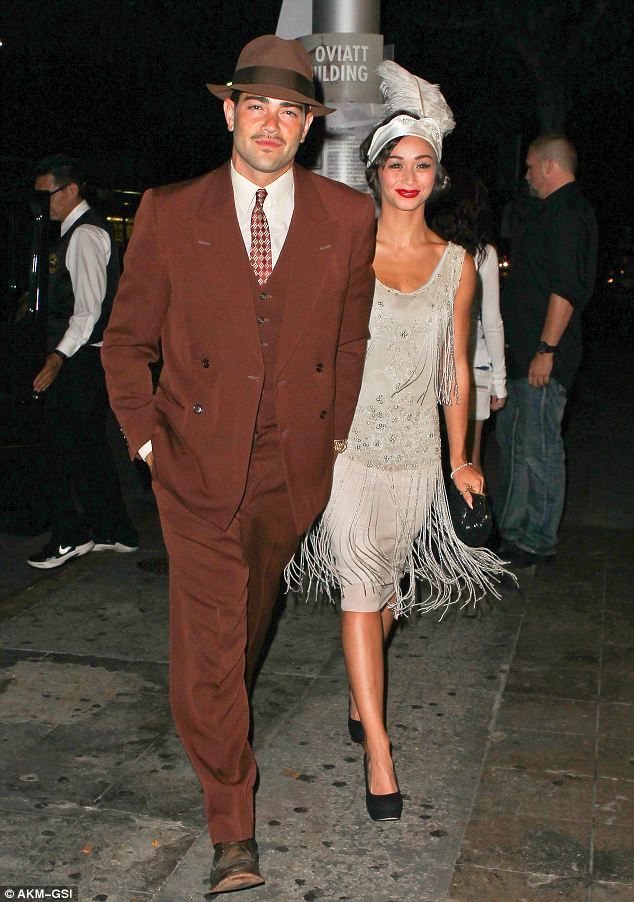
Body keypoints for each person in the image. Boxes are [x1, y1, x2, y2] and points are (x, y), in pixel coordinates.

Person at [101, 36, 375, 896]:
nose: (270, 123)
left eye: (289, 110)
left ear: (305, 129)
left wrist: (332, 440)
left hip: (291, 469)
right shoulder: (169, 211)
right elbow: (126, 342)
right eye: (255, 105)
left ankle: (223, 705)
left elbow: (352, 335)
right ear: (229, 112)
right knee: (211, 648)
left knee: (247, 622)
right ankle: (233, 831)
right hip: (193, 462)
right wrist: (150, 443)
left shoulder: (346, 216)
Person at [287, 62, 507, 823]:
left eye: (422, 165)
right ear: (374, 172)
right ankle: (379, 751)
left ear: (436, 177)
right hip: (347, 452)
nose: (409, 177)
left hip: (416, 458)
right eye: (396, 164)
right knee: (360, 588)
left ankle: (361, 685)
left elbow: (456, 368)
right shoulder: (345, 249)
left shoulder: (457, 265)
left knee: (385, 599)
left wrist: (462, 457)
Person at [27, 155, 138, 570]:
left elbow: (88, 312)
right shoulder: (74, 233)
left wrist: (57, 356)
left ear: (70, 190)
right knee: (90, 449)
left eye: (46, 195)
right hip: (85, 358)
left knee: (53, 451)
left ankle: (69, 535)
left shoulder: (85, 235)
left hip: (79, 358)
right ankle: (116, 531)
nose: (42, 204)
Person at [495, 134, 598, 567]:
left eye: (532, 166)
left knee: (539, 449)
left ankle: (537, 538)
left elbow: (566, 289)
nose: (527, 174)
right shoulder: (547, 213)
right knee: (518, 445)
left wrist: (546, 349)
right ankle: (515, 532)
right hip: (523, 353)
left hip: (543, 357)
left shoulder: (570, 214)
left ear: (551, 165)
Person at [433, 174, 507, 470]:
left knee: (434, 462)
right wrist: (499, 382)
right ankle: (470, 517)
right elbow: (491, 321)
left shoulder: (431, 249)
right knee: (468, 461)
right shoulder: (482, 255)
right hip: (473, 365)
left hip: (433, 363)